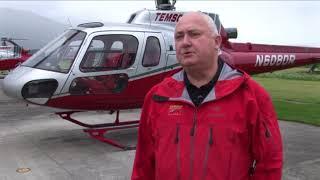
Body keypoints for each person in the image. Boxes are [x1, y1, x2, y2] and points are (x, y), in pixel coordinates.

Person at [131, 12, 283, 180]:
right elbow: (143, 164)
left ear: (217, 42)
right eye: (179, 37)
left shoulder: (251, 96)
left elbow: (269, 163)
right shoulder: (157, 97)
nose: (185, 42)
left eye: (194, 34)